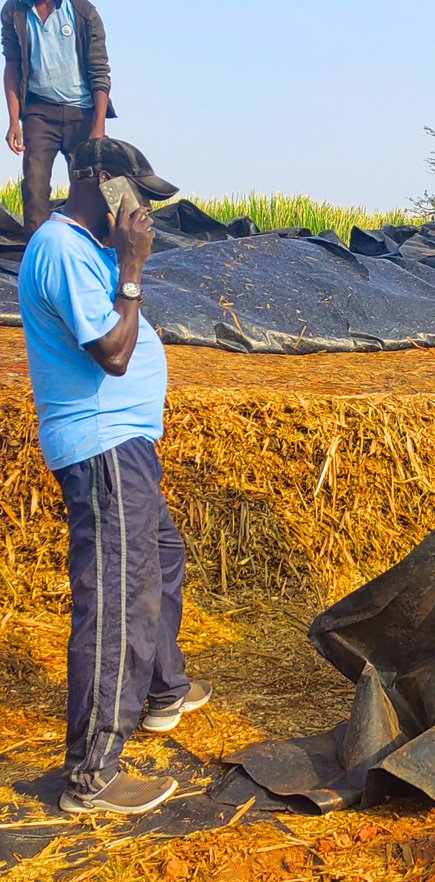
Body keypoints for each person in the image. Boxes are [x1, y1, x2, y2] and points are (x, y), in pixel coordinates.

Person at [20, 137, 209, 815]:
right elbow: (112, 353)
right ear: (102, 181)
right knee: (116, 603)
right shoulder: (64, 248)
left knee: (160, 559)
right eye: (140, 195)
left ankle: (162, 691)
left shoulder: (87, 248)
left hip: (124, 446)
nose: (145, 213)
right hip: (102, 450)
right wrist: (131, 268)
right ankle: (90, 774)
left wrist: (123, 262)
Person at [2, 0, 115, 239]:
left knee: (89, 188)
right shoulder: (14, 11)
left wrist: (98, 128)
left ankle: (90, 250)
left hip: (82, 113)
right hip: (39, 112)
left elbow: (99, 70)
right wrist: (14, 120)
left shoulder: (83, 12)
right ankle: (37, 252)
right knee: (34, 188)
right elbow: (12, 63)